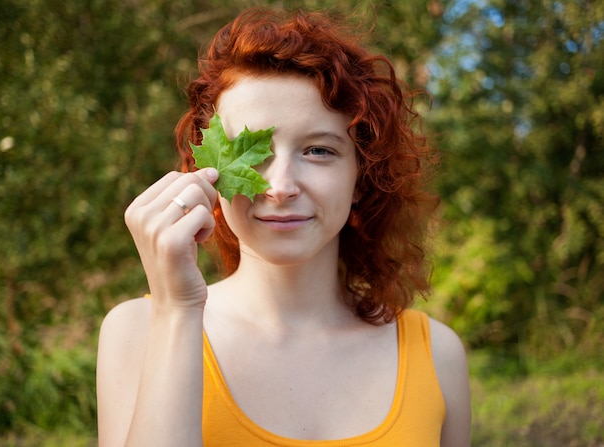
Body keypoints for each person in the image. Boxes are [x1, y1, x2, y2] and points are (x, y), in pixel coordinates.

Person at [96, 7, 471, 447]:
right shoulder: (138, 332)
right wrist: (177, 311)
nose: (280, 187)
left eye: (318, 151)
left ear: (361, 178)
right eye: (252, 151)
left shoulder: (437, 355)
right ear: (206, 170)